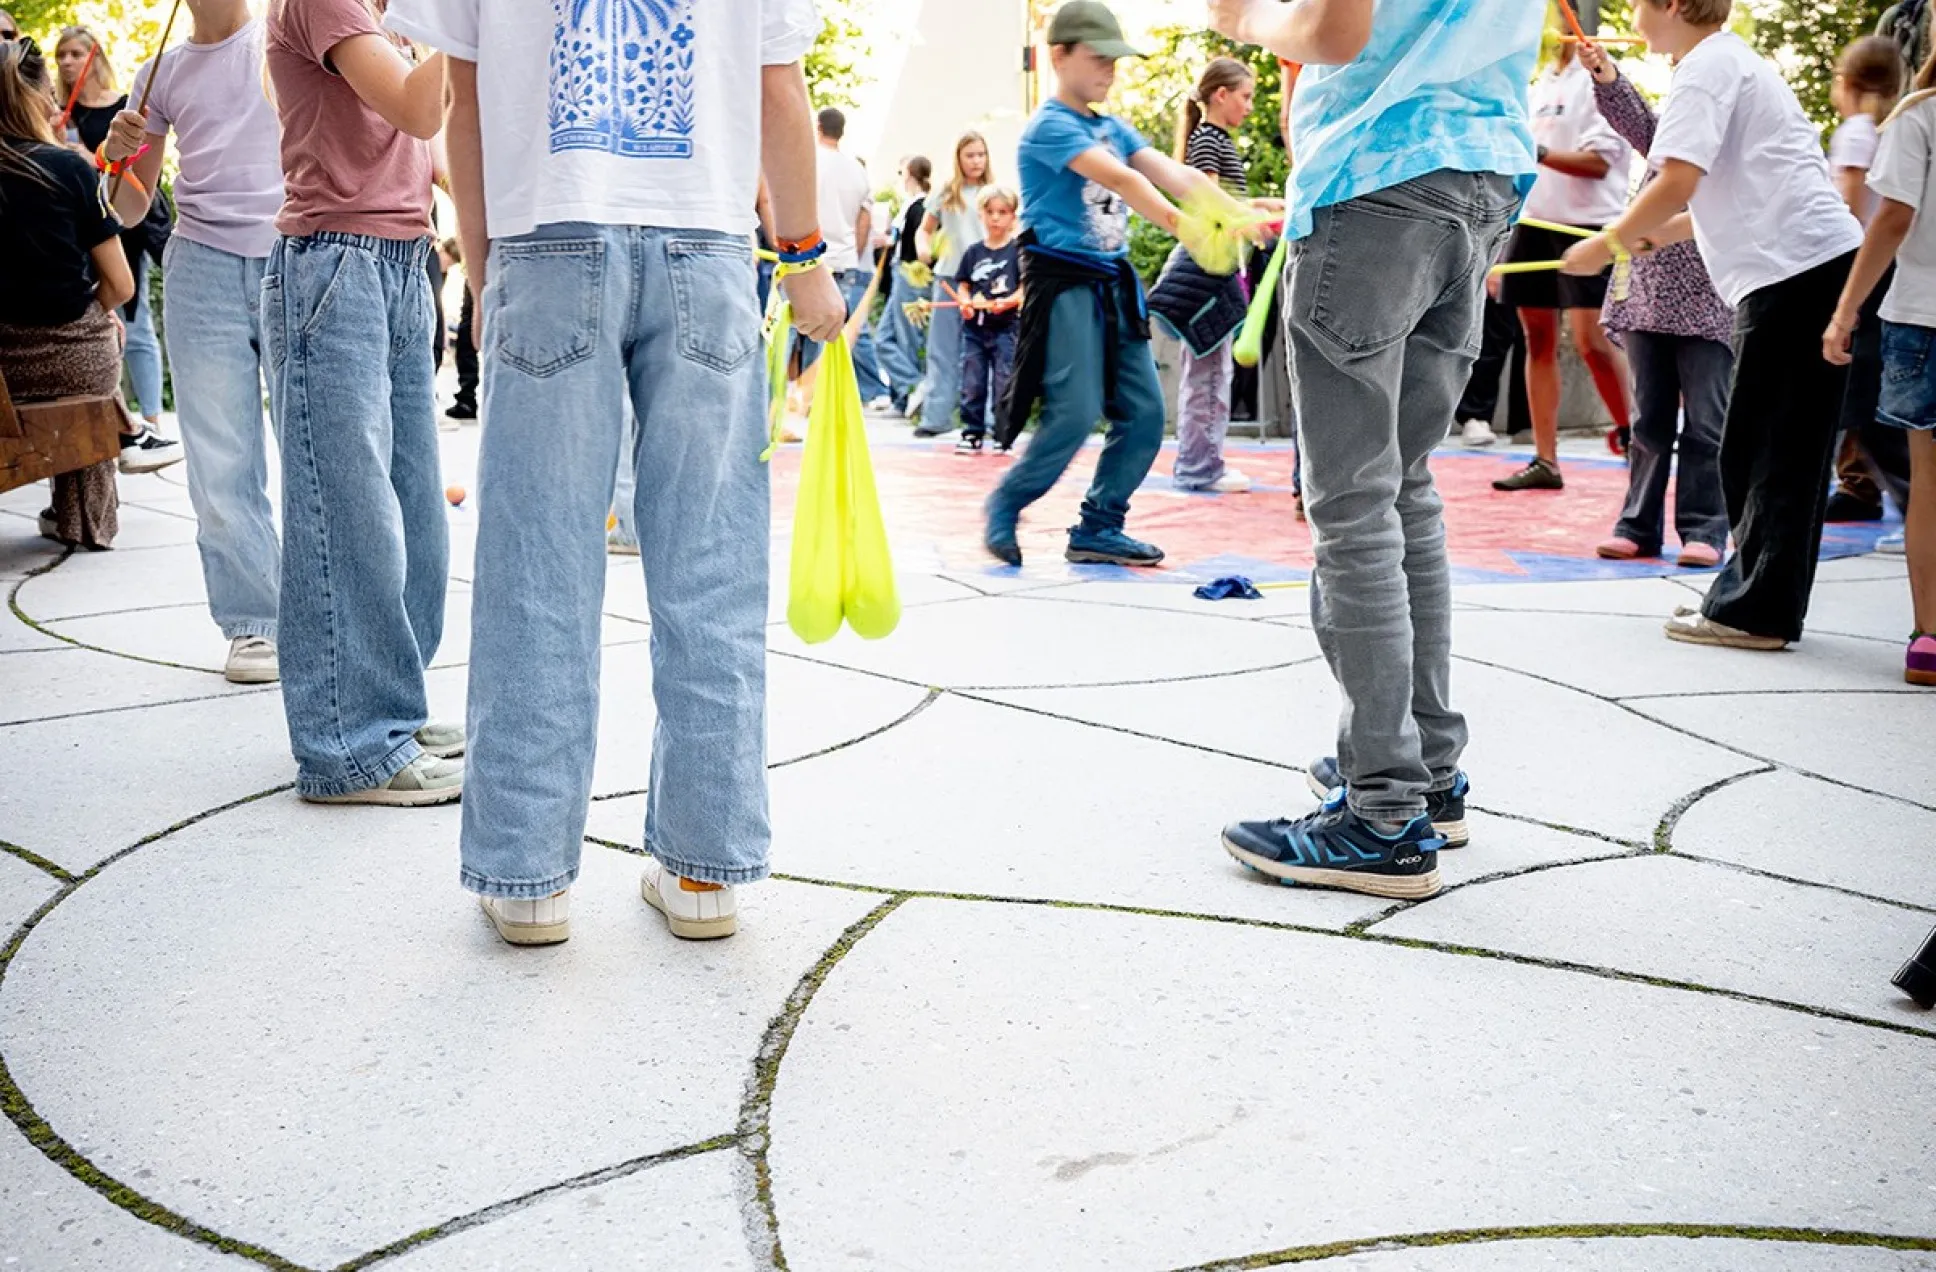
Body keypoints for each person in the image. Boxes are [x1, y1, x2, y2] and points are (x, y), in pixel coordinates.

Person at [388, 0, 841, 945]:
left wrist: (486, 273)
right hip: (707, 243)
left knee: (536, 568)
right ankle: (702, 872)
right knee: (710, 566)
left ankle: (527, 878)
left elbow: (465, 98)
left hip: (546, 237)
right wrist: (803, 259)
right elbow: (779, 90)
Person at [1211, 0, 1539, 899]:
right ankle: (1427, 774)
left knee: (1354, 503)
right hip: (1484, 171)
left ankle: (1384, 814)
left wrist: (1243, 20)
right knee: (1403, 487)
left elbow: (1336, 34)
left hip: (1377, 170)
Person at [1561, 0, 1865, 651]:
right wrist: (1646, 239)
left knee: (1762, 449)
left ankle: (1753, 613)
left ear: (1671, 5)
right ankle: (1762, 607)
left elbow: (1677, 179)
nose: (1633, 12)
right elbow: (1707, 201)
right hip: (1808, 268)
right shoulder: (1727, 63)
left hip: (1795, 273)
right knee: (1779, 451)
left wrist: (1607, 244)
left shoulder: (1705, 68)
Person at [263, 0, 460, 803]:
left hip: (402, 263)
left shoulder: (390, 16)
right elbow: (416, 107)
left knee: (415, 514)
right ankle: (349, 745)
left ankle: (390, 710)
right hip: (335, 266)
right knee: (348, 515)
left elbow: (432, 146)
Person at [983, 1, 1222, 569]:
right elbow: (1123, 179)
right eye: (1099, 59)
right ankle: (1006, 504)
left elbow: (1172, 171)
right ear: (1058, 56)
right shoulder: (1049, 127)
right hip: (1066, 285)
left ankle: (1099, 526)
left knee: (1144, 413)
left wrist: (1239, 208)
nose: (1110, 72)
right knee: (1075, 411)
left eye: (1115, 61)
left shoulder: (1112, 126)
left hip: (1113, 283)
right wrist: (1183, 224)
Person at [103, 0, 285, 684]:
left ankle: (329, 612)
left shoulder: (284, 39)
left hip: (294, 254)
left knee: (316, 451)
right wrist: (115, 158)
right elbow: (128, 208)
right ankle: (254, 622)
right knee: (220, 460)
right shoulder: (160, 72)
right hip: (201, 266)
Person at [1577, 38, 1731, 569]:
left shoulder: (1733, 140)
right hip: (1648, 296)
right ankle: (1636, 525)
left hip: (1711, 302)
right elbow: (1637, 119)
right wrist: (1605, 73)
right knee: (1647, 421)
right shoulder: (1670, 132)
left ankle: (1705, 528)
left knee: (1707, 423)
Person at [1825, 47, 1936, 685]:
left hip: (1923, 314)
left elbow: (1892, 216)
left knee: (1929, 483)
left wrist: (1845, 310)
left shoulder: (1917, 117)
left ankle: (1930, 636)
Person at [0, 38, 136, 549]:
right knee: (101, 335)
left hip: (2, 370)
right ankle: (84, 520)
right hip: (72, 361)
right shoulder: (69, 168)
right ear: (36, 96)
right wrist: (90, 315)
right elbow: (120, 285)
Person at [1493, 35, 1634, 491]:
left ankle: (1633, 437)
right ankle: (1545, 460)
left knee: (1593, 341)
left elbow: (1598, 163)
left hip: (1588, 226)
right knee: (1537, 340)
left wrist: (1537, 153)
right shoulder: (1538, 83)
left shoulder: (1597, 77)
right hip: (1534, 221)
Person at [53, 27, 180, 468]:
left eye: (76, 53)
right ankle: (116, 424)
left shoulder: (123, 104)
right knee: (97, 319)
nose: (68, 62)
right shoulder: (57, 113)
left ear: (95, 56)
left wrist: (93, 158)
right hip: (81, 227)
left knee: (136, 319)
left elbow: (136, 168)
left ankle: (151, 421)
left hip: (123, 223)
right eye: (62, 54)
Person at [1825, 35, 1912, 526]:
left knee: (1864, 402)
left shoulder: (1858, 132)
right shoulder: (1891, 127)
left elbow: (1850, 206)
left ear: (1846, 82)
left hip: (1864, 272)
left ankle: (1914, 502)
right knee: (1871, 398)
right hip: (1889, 271)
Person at [1169, 55, 1255, 494]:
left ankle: (1204, 462)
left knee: (1213, 372)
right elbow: (1210, 205)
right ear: (1221, 95)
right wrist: (1251, 217)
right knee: (1207, 375)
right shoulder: (1208, 141)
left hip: (1216, 268)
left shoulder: (1213, 140)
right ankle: (1199, 468)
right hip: (1207, 272)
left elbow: (1224, 203)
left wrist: (1259, 208)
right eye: (1245, 96)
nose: (1249, 107)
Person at [913, 130, 991, 436]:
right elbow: (925, 229)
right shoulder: (946, 192)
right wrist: (923, 249)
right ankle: (936, 416)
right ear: (958, 158)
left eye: (981, 155)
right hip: (949, 277)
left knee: (986, 351)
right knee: (942, 350)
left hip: (984, 282)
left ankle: (988, 418)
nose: (976, 161)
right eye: (970, 155)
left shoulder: (992, 192)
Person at [809, 107, 887, 405]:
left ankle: (791, 395)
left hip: (807, 256)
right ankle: (837, 394)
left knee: (793, 331)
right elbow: (864, 220)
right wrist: (852, 251)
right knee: (841, 328)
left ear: (818, 126)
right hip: (844, 259)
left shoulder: (810, 161)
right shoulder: (856, 169)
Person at [952, 185, 1022, 454]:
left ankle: (1004, 433)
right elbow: (964, 286)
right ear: (981, 215)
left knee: (1004, 381)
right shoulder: (973, 253)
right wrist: (965, 303)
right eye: (990, 212)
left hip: (1006, 328)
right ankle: (972, 431)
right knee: (972, 380)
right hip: (975, 330)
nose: (995, 218)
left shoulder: (1018, 252)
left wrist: (1008, 301)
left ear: (1012, 217)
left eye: (1002, 212)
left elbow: (1025, 288)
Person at [872, 155, 931, 417]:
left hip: (910, 274)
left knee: (907, 337)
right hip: (899, 274)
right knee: (884, 338)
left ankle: (913, 391)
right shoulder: (910, 204)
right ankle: (907, 390)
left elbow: (917, 244)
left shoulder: (921, 206)